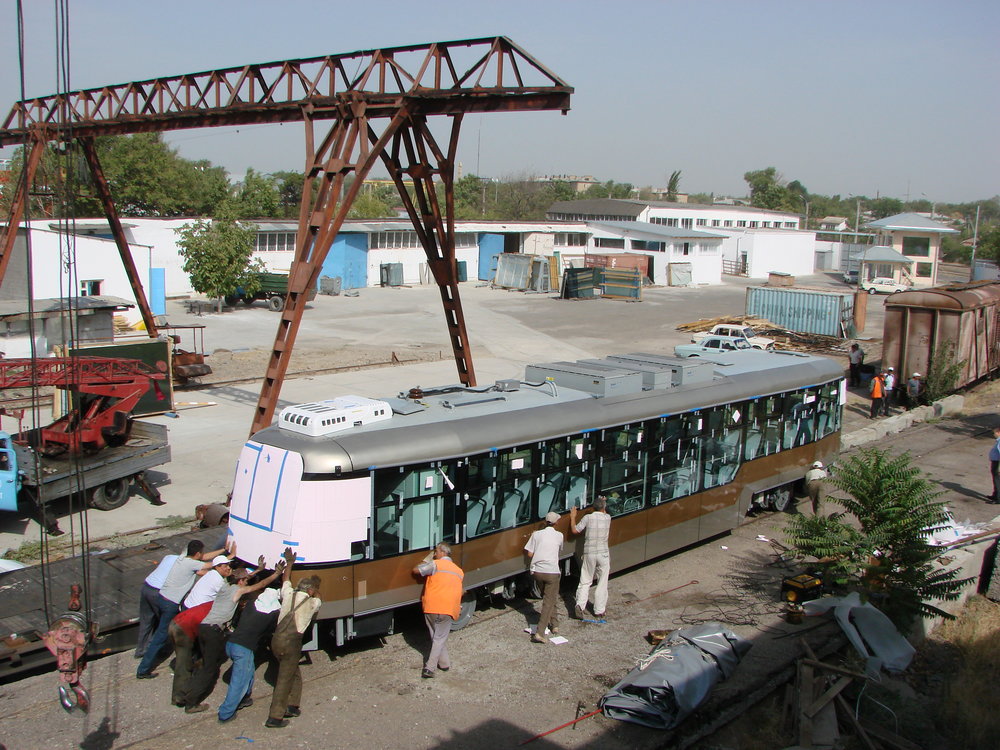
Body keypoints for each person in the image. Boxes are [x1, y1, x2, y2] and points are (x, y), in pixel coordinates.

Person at [183, 559, 283, 715]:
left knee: (204, 661)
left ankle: (187, 690)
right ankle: (191, 701)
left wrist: (258, 570)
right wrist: (276, 574)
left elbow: (243, 578)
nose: (246, 583)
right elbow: (260, 585)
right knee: (210, 668)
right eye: (245, 581)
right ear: (241, 581)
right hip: (213, 630)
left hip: (204, 627)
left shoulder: (225, 586)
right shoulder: (237, 590)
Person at [136, 540, 229, 679]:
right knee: (161, 636)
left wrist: (222, 550)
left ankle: (148, 652)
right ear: (197, 554)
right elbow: (211, 564)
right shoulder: (191, 563)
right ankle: (143, 669)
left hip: (162, 597)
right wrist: (230, 554)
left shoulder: (182, 558)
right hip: (171, 604)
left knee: (159, 628)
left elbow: (204, 564)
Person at [266, 548, 322, 729]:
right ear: (311, 591)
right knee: (284, 679)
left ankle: (293, 704)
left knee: (293, 673)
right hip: (291, 643)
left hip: (276, 640)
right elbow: (319, 599)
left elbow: (286, 580)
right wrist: (316, 590)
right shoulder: (312, 602)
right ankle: (275, 717)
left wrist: (289, 563)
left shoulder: (289, 594)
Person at [218, 586, 281, 723]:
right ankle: (226, 713)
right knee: (239, 681)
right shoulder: (272, 613)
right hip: (244, 648)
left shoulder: (251, 605)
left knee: (249, 669)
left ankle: (246, 697)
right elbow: (273, 629)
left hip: (231, 643)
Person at [411, 543, 464, 681]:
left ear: (442, 552)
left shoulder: (435, 564)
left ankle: (438, 665)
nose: (434, 554)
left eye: (435, 552)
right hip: (448, 608)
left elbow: (416, 570)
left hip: (431, 606)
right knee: (439, 638)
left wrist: (427, 559)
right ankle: (436, 666)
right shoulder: (459, 571)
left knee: (437, 637)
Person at [136, 544, 197, 659]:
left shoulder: (169, 557)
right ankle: (157, 651)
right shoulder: (186, 566)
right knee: (164, 624)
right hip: (159, 592)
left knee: (146, 621)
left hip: (147, 586)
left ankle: (140, 650)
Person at [523, 512, 564, 644]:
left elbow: (529, 554)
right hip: (551, 571)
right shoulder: (559, 536)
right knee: (549, 600)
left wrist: (536, 536)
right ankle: (540, 633)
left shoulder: (536, 534)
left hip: (537, 572)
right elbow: (558, 550)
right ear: (556, 522)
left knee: (549, 597)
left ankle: (555, 624)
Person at [570, 495, 611, 620]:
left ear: (593, 507)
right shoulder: (607, 518)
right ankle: (599, 610)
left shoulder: (588, 518)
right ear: (603, 507)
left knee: (586, 580)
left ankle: (580, 606)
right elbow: (604, 510)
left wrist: (573, 517)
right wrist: (604, 501)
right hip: (603, 553)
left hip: (589, 552)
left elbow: (575, 531)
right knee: (602, 582)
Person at [988, 426, 1000, 505]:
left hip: (998, 463)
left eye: (994, 433)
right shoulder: (998, 441)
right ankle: (995, 495)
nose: (993, 434)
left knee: (998, 481)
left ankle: (998, 498)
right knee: (995, 480)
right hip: (995, 462)